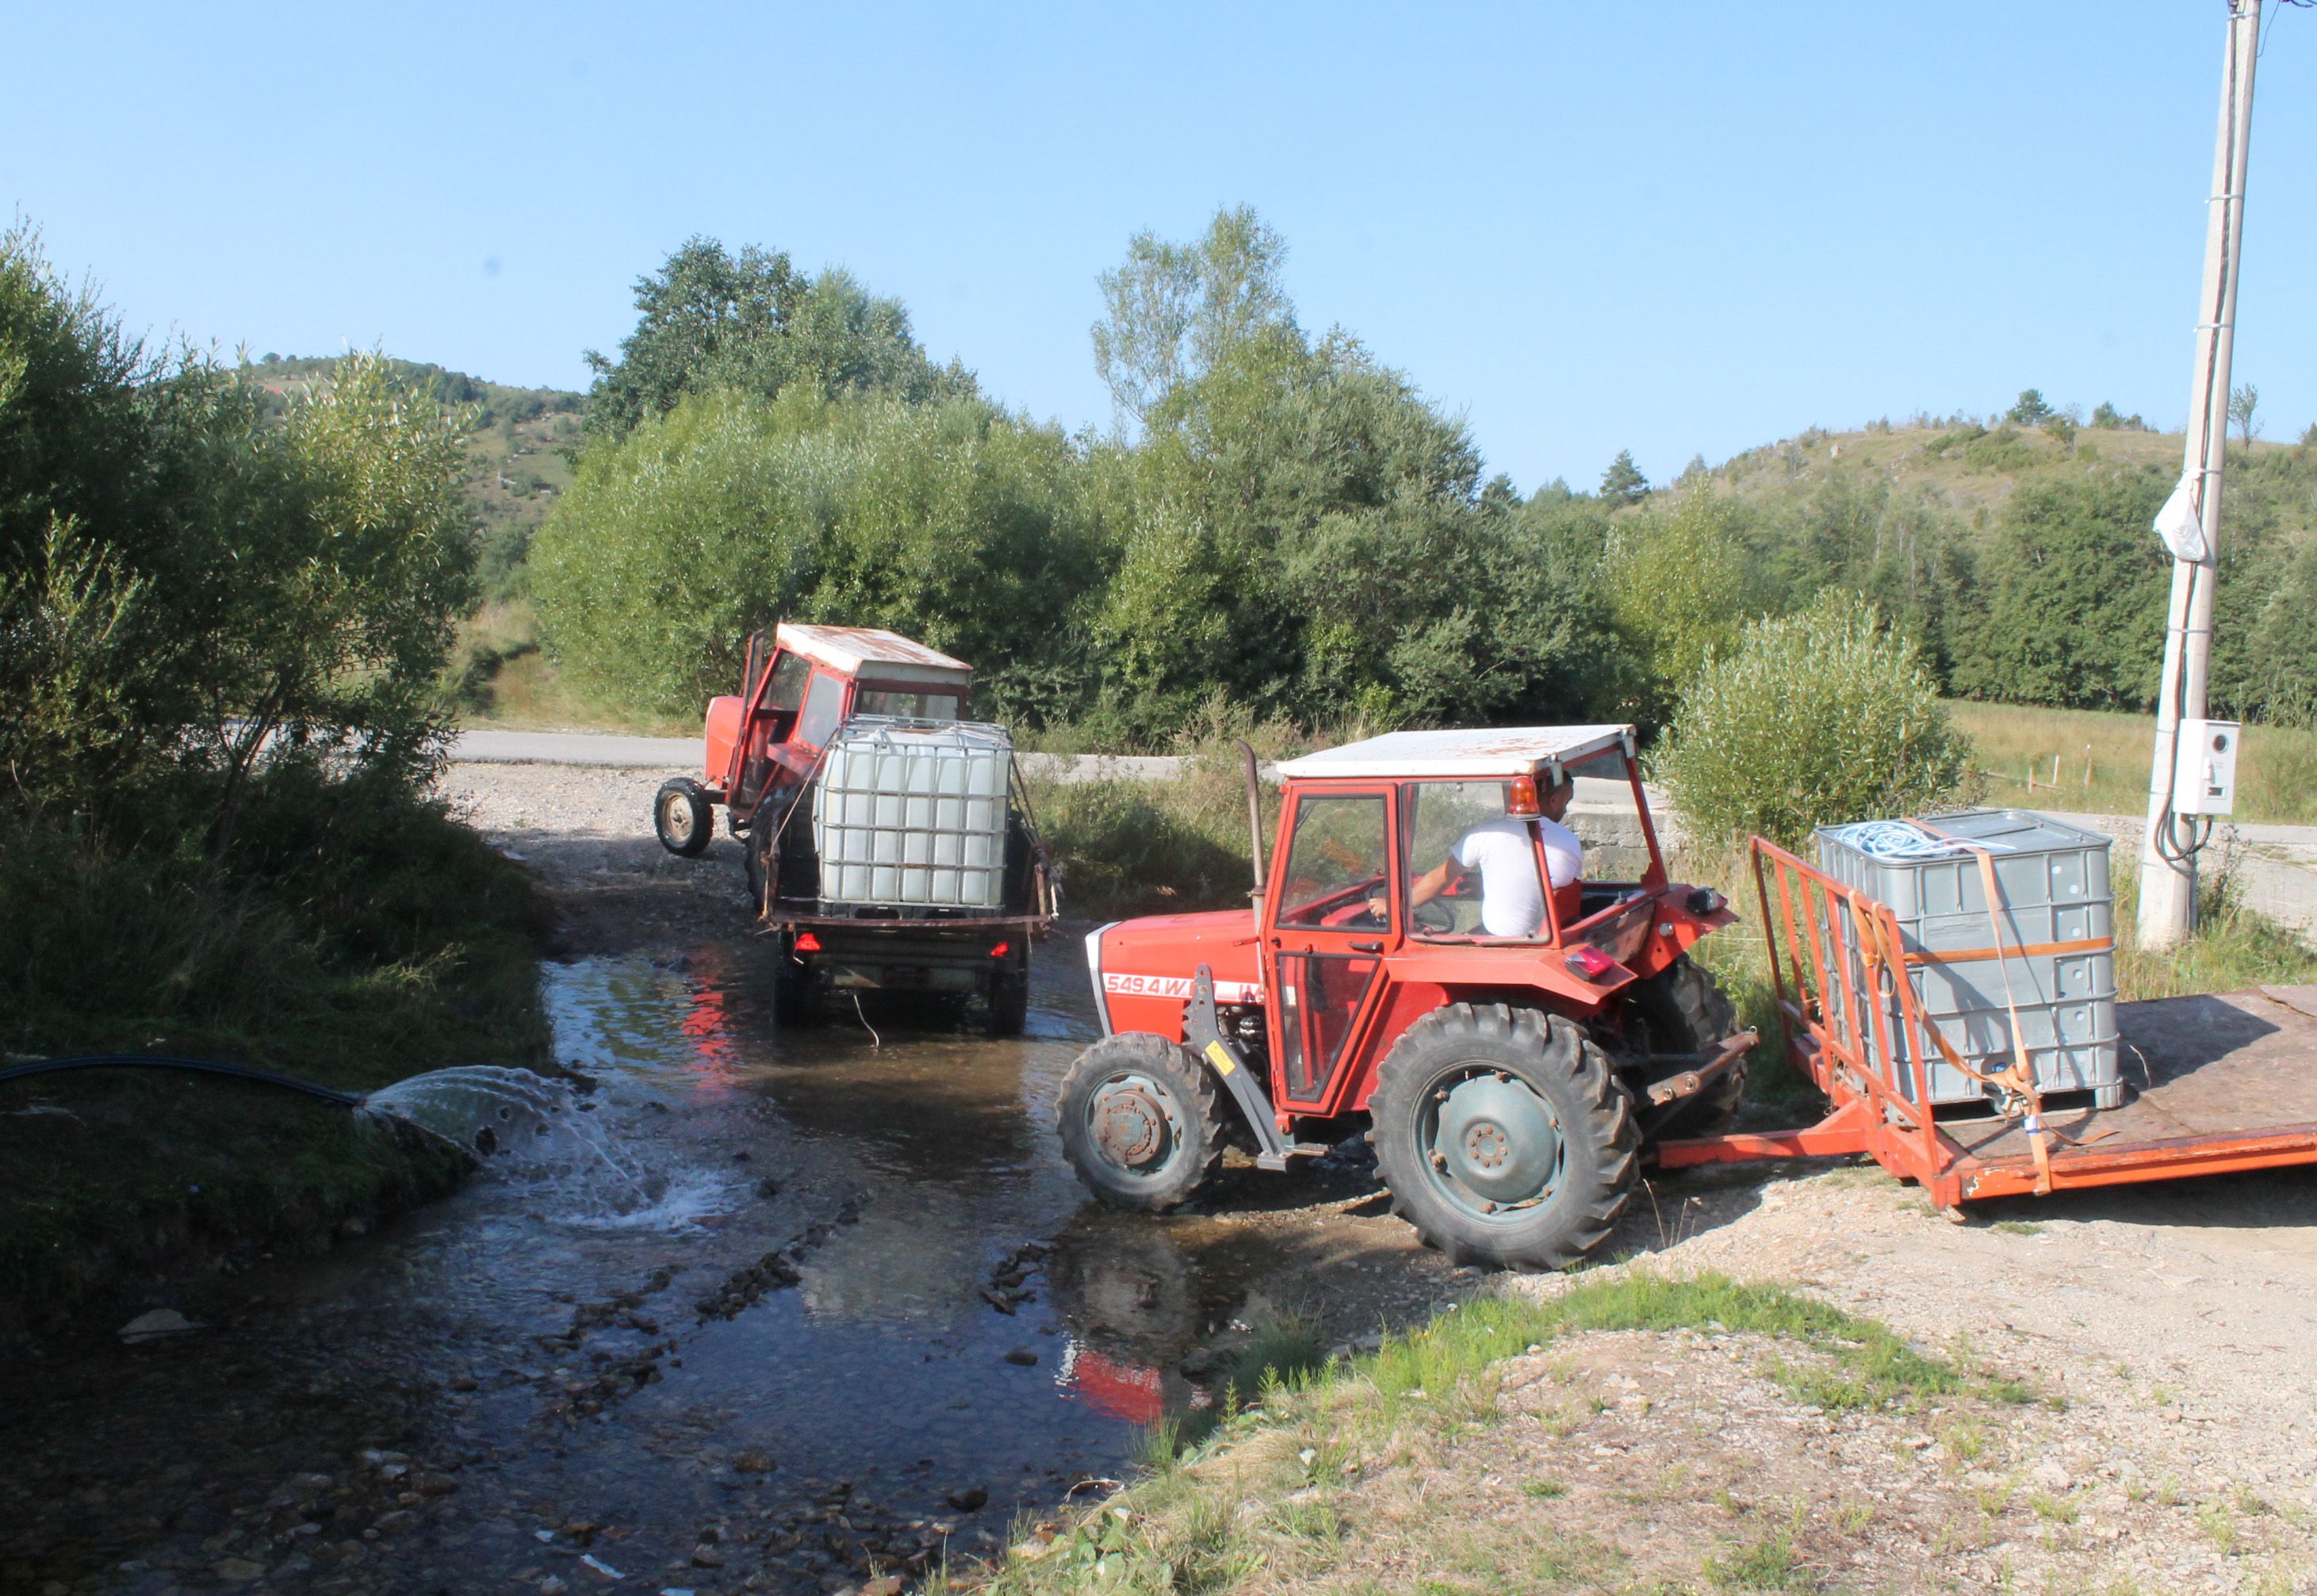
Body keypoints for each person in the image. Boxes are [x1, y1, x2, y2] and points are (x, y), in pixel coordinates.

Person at [1407, 774, 1583, 937]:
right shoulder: (1570, 841)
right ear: (1553, 800)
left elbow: (1439, 879)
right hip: (1547, 936)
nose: (1565, 811)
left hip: (1503, 944)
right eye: (1566, 804)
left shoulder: (1485, 834)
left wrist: (1400, 907)